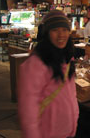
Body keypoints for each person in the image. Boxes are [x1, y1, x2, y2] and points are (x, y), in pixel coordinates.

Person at [18, 10, 79, 138]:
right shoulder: (36, 63)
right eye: (55, 30)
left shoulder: (66, 57)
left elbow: (71, 94)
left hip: (67, 132)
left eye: (64, 29)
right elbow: (28, 109)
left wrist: (74, 120)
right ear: (47, 33)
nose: (61, 35)